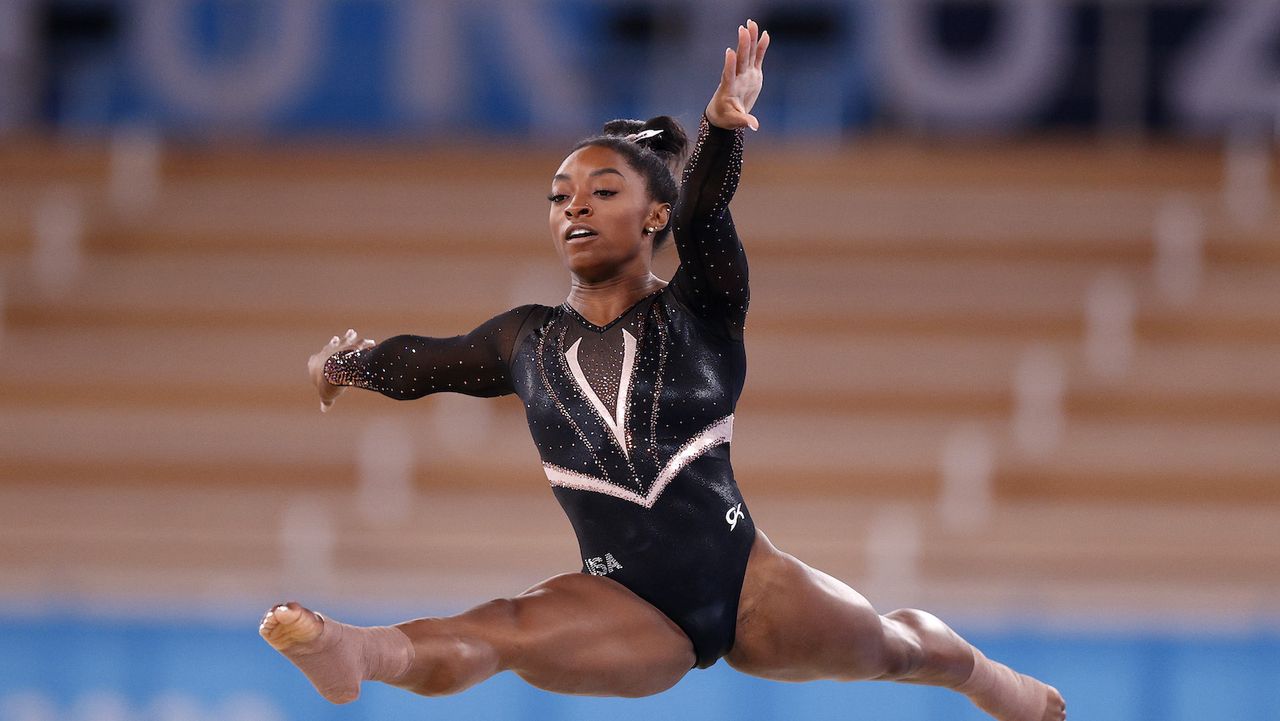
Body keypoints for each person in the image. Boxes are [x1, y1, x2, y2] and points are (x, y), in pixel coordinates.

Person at [260, 20, 1065, 721]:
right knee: (502, 626)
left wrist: (721, 128)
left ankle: (989, 680)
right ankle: (357, 650)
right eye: (560, 195)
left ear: (653, 215)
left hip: (753, 585)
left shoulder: (700, 310)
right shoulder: (524, 341)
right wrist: (349, 362)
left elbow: (706, 210)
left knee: (896, 647)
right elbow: (422, 364)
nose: (574, 206)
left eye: (601, 191)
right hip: (621, 603)